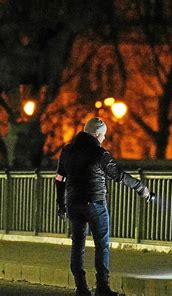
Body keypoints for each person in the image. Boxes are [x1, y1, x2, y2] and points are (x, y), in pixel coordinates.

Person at [55, 117, 155, 296]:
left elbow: (59, 179)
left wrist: (61, 204)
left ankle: (81, 288)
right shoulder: (100, 153)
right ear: (96, 134)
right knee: (102, 245)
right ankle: (102, 287)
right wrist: (141, 188)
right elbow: (119, 175)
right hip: (95, 203)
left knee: (77, 245)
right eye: (103, 136)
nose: (104, 139)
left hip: (73, 204)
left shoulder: (67, 151)